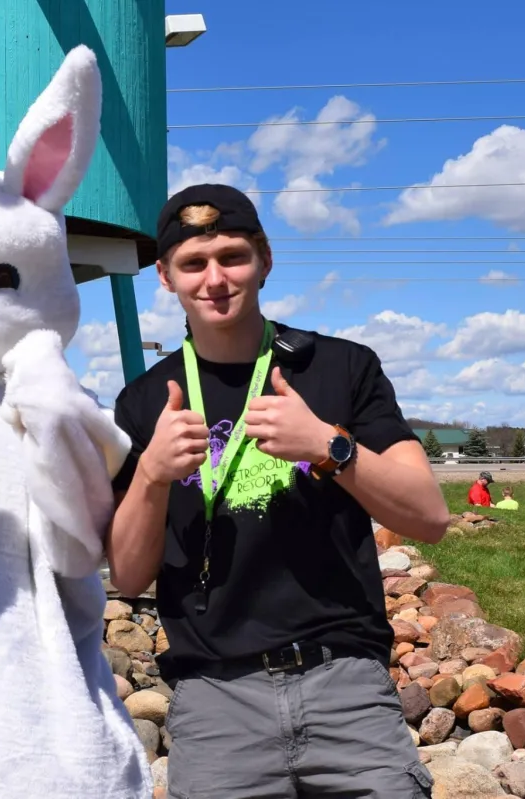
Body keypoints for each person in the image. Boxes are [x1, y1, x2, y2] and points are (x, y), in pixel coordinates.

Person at [108, 183, 449, 798]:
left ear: (264, 257)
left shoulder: (343, 368)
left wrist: (328, 445)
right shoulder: (144, 403)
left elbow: (429, 516)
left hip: (345, 686)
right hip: (215, 703)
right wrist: (153, 474)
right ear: (165, 276)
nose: (215, 278)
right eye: (193, 264)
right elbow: (129, 578)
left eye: (232, 256)